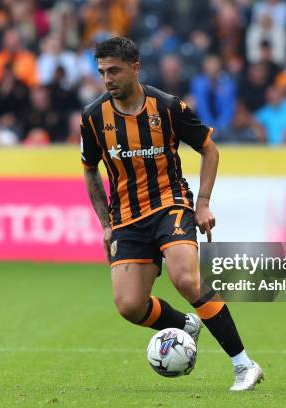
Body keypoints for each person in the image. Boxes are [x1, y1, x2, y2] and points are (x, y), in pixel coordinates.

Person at [80, 37, 263, 392]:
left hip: (170, 203)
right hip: (127, 218)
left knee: (186, 279)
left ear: (135, 67)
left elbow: (209, 150)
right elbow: (89, 169)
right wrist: (106, 225)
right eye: (102, 71)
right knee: (130, 306)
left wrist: (204, 202)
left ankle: (244, 365)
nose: (107, 78)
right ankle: (184, 324)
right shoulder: (92, 116)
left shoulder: (167, 107)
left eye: (114, 70)